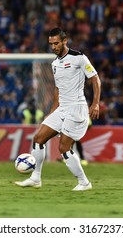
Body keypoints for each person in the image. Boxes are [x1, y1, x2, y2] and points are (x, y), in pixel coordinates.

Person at [15, 27, 101, 191]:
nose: (53, 47)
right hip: (62, 108)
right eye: (51, 44)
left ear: (64, 41)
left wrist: (95, 103)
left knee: (63, 148)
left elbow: (95, 79)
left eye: (56, 43)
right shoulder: (55, 64)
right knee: (38, 139)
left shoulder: (79, 58)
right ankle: (35, 178)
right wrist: (52, 111)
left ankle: (84, 183)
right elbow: (58, 89)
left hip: (76, 108)